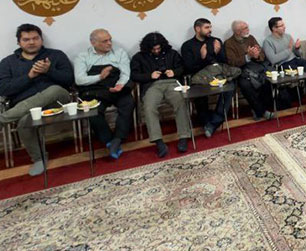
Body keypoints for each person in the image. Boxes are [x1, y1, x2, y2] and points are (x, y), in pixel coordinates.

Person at [0, 24, 73, 176]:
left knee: (54, 89)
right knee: (24, 121)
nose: (32, 42)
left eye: (35, 38)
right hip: (25, 108)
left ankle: (3, 119)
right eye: (26, 39)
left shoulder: (56, 55)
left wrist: (49, 71)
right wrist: (29, 76)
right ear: (19, 42)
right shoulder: (7, 63)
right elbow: (4, 89)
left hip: (57, 102)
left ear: (41, 39)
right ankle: (39, 158)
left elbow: (69, 80)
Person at [73, 29, 135, 160]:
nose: (109, 43)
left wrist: (119, 85)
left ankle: (118, 139)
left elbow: (125, 73)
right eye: (104, 41)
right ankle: (109, 141)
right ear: (93, 43)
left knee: (128, 103)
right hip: (95, 90)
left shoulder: (119, 53)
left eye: (110, 40)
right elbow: (79, 80)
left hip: (116, 87)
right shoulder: (82, 57)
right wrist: (100, 77)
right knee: (92, 111)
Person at [130, 32, 191, 158]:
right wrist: (149, 76)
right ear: (147, 48)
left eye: (158, 48)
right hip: (151, 85)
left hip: (172, 83)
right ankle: (158, 141)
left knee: (180, 102)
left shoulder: (172, 53)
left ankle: (184, 136)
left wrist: (174, 72)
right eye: (154, 49)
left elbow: (183, 68)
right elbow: (134, 75)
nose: (157, 51)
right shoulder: (139, 57)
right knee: (149, 107)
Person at [181, 18, 234, 138]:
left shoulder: (215, 41)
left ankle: (213, 123)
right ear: (197, 29)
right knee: (199, 93)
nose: (210, 30)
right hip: (199, 77)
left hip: (217, 75)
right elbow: (188, 68)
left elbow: (224, 62)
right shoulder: (187, 46)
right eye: (206, 27)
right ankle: (206, 122)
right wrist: (202, 57)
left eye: (210, 27)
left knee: (230, 87)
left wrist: (217, 52)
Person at [223, 20, 274, 121]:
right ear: (237, 31)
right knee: (245, 85)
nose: (248, 30)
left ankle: (259, 109)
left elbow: (261, 54)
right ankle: (261, 111)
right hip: (240, 70)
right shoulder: (229, 43)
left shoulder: (250, 38)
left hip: (255, 67)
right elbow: (232, 62)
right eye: (245, 28)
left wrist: (257, 55)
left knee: (267, 80)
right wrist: (247, 56)